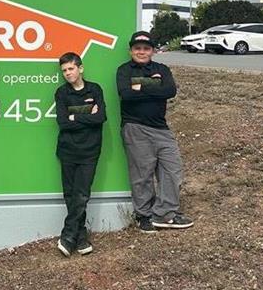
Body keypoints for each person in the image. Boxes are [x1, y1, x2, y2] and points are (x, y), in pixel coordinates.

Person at [116, 31, 194, 233]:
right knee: (142, 174)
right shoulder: (124, 70)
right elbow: (125, 94)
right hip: (135, 127)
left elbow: (170, 91)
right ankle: (143, 215)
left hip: (161, 128)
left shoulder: (162, 69)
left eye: (146, 48)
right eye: (137, 48)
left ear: (152, 50)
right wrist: (153, 83)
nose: (141, 52)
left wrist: (140, 85)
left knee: (172, 170)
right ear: (131, 50)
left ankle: (164, 213)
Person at [53, 52, 106, 257]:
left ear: (80, 68)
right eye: (64, 70)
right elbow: (63, 123)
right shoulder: (61, 93)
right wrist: (86, 114)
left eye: (71, 69)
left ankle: (68, 236)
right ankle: (81, 237)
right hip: (67, 150)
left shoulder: (95, 89)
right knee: (70, 194)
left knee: (82, 195)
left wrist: (75, 115)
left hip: (90, 151)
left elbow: (101, 117)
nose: (67, 73)